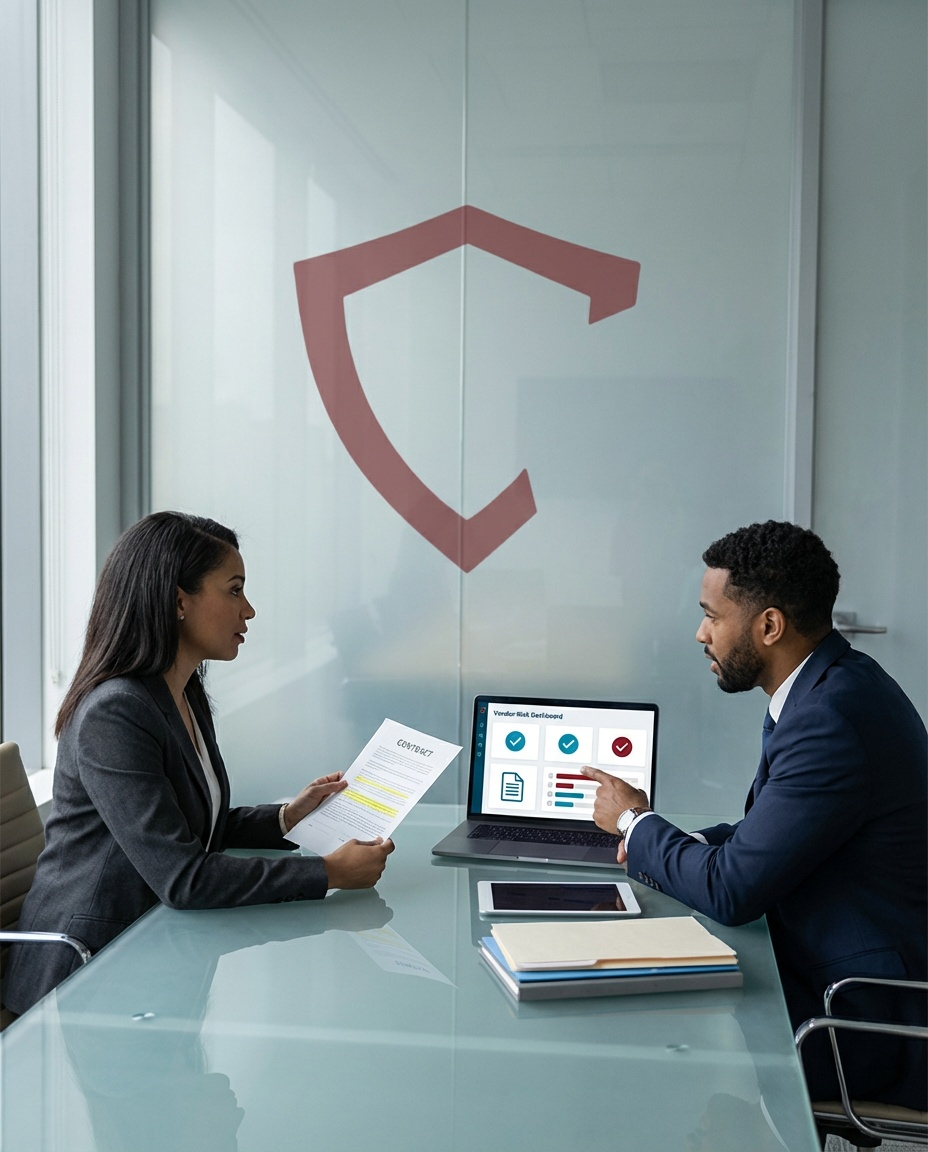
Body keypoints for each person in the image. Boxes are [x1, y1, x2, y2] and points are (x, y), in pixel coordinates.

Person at [582, 521, 927, 1108]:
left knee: (640, 1050)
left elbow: (732, 890)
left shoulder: (829, 719)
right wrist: (683, 841)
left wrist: (636, 824)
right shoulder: (832, 686)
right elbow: (780, 830)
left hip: (859, 1018)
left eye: (712, 616)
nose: (699, 633)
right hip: (839, 966)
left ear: (769, 625)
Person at [3, 512, 394, 1015]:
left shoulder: (181, 691)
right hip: (85, 971)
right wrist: (328, 873)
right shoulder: (114, 713)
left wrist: (286, 817)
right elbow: (183, 877)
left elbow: (188, 826)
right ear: (178, 600)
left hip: (152, 943)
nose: (249, 610)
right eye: (234, 591)